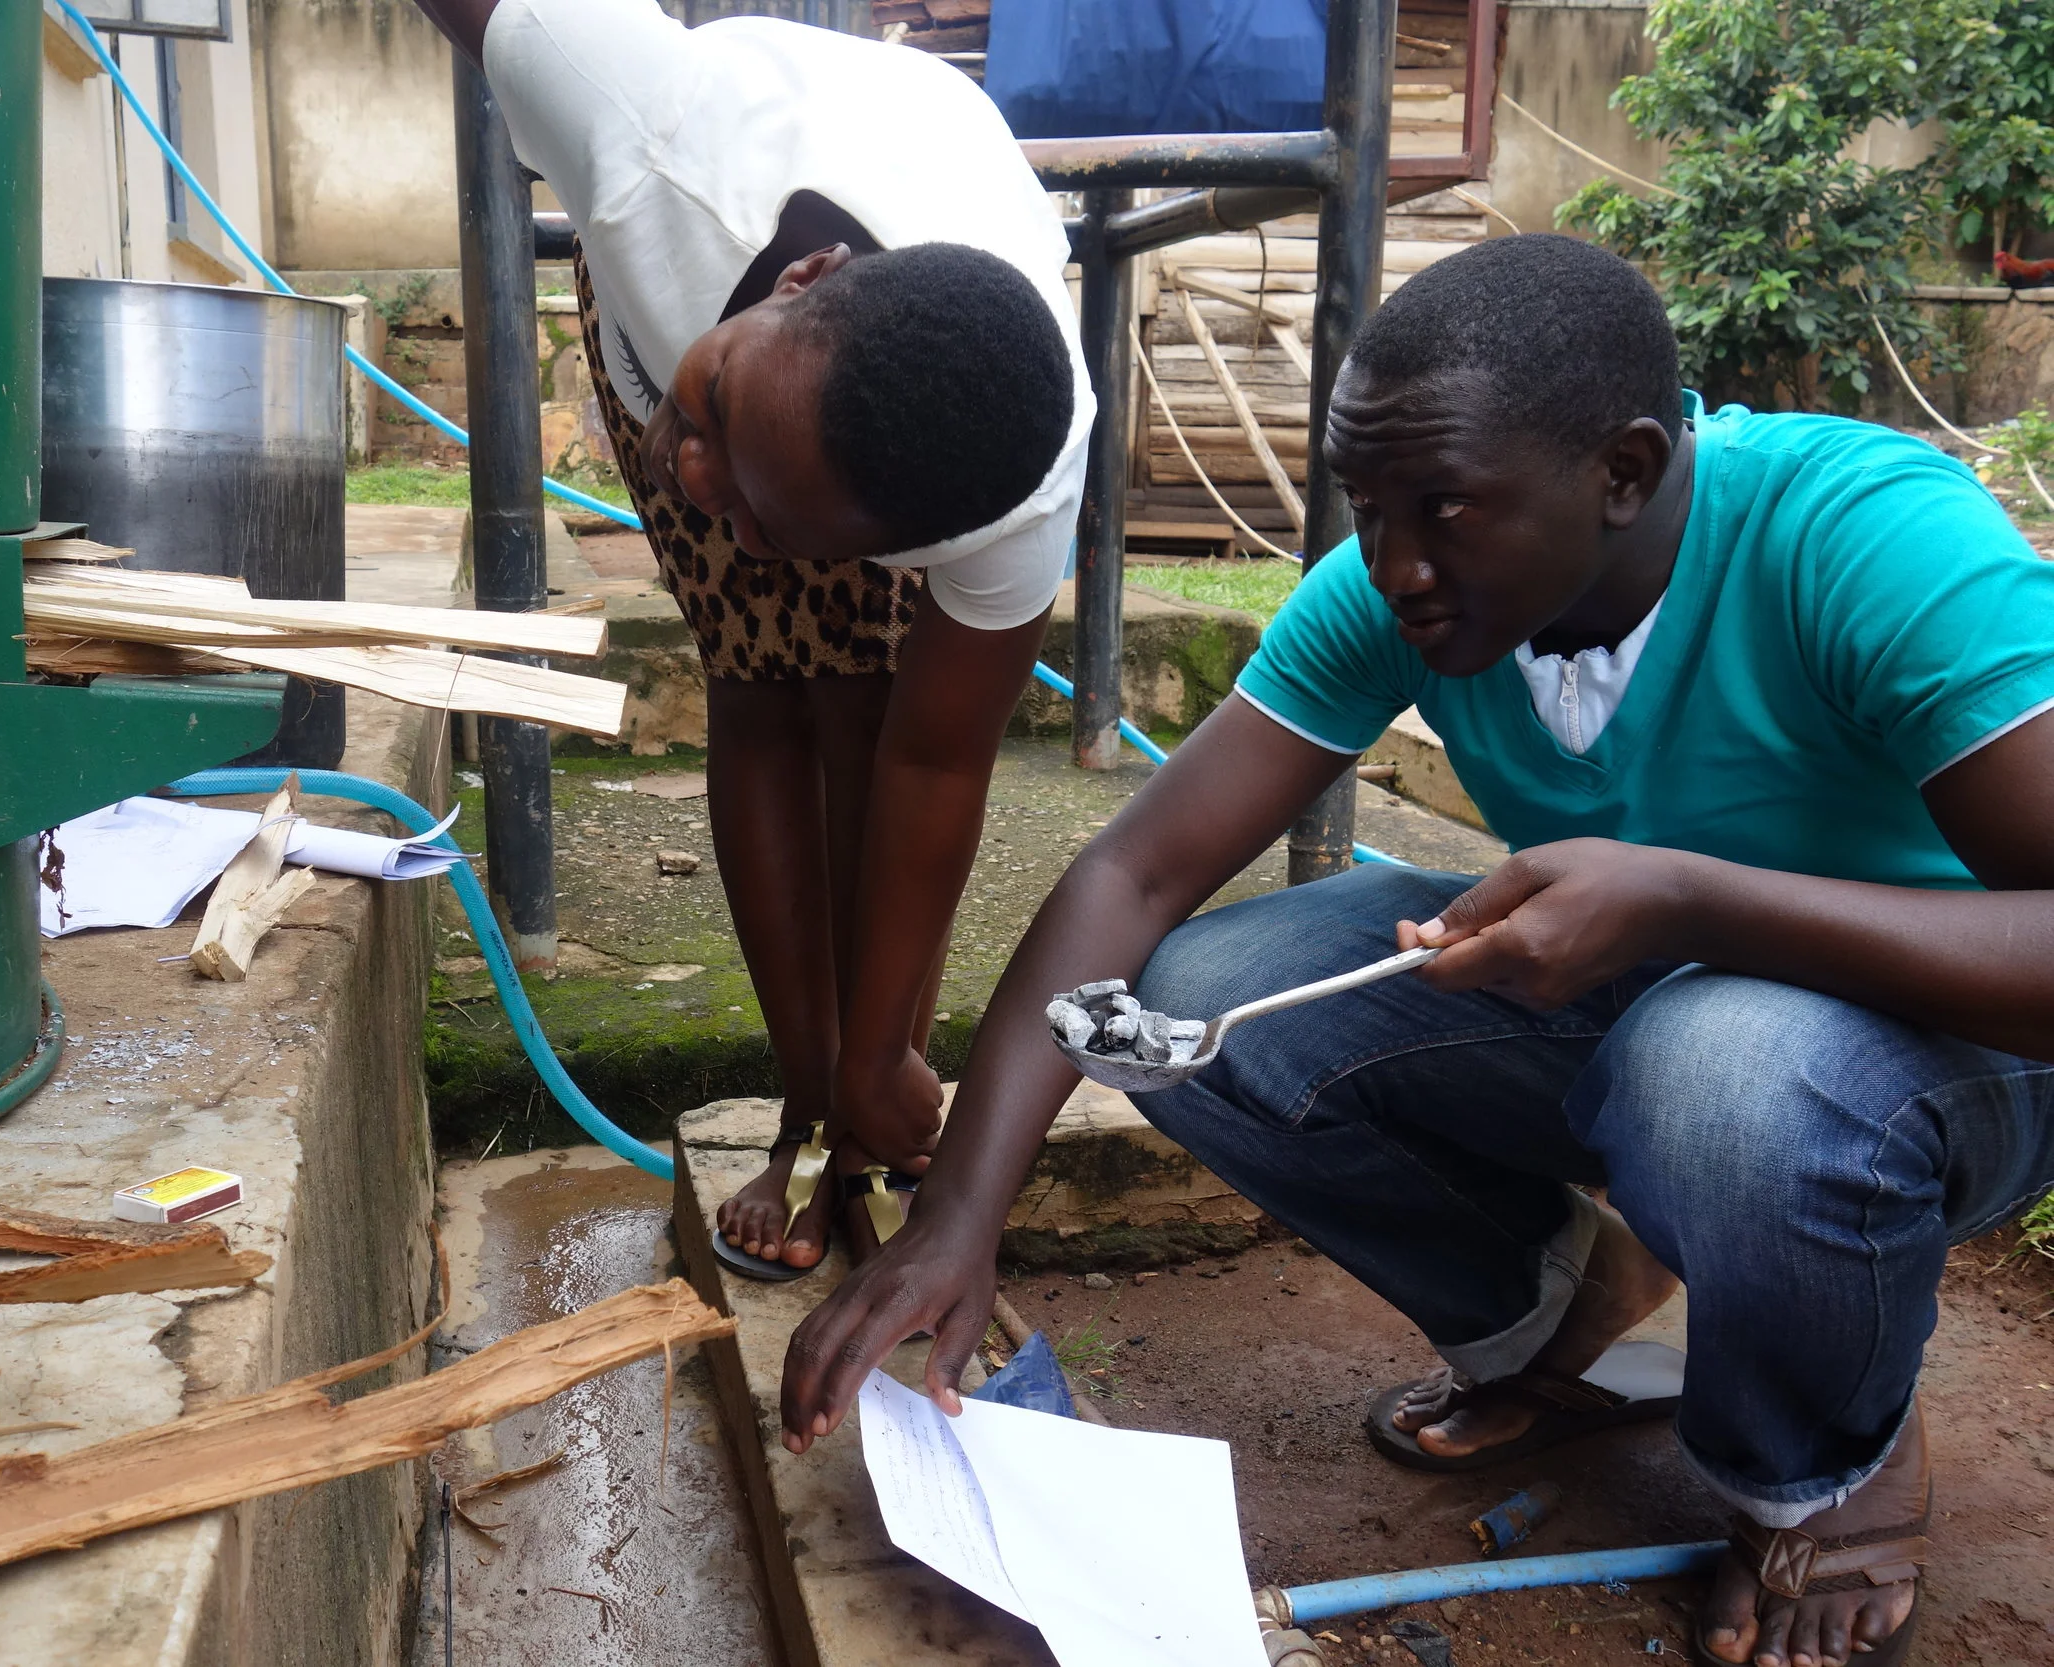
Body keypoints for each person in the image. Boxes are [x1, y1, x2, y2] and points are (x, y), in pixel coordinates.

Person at [780, 235, 2054, 1667]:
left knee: (1728, 1066)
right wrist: (960, 1211)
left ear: (1624, 471)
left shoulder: (1862, 538)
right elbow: (1134, 872)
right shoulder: (1407, 591)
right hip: (1670, 995)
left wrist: (1695, 901)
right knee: (1204, 999)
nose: (1392, 565)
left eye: (1440, 507)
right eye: (1368, 509)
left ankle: (1823, 1473)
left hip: (1957, 1038)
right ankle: (1567, 1333)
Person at [410, 0, 1089, 1277]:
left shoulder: (1014, 502)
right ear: (803, 279)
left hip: (840, 375)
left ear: (917, 541)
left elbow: (936, 765)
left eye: (773, 526)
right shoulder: (633, 110)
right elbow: (718, 452)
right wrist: (728, 449)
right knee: (757, 679)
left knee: (869, 702)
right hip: (686, 291)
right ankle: (805, 1103)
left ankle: (860, 1105)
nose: (689, 478)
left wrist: (882, 1047)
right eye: (717, 422)